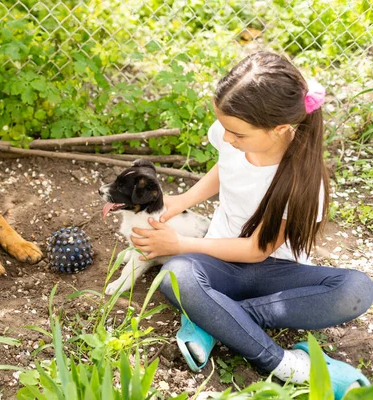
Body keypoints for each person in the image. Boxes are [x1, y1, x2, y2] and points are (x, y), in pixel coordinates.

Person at [130, 51, 373, 399]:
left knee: (357, 289)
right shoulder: (233, 133)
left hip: (276, 275)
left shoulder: (303, 180)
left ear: (280, 129)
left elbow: (256, 250)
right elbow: (224, 168)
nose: (226, 139)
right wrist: (183, 200)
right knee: (175, 275)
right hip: (219, 264)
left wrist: (180, 245)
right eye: (226, 129)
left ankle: (229, 327)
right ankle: (263, 347)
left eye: (238, 134)